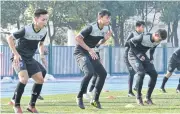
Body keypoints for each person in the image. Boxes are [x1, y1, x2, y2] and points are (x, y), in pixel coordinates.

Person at [6, 9, 48, 113]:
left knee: (40, 79)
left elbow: (41, 44)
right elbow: (10, 38)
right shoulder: (26, 29)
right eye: (43, 19)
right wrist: (16, 54)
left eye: (46, 20)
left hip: (29, 58)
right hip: (19, 58)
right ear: (35, 19)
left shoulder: (44, 31)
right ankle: (16, 105)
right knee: (24, 79)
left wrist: (42, 56)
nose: (45, 22)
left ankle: (31, 106)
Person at [74, 9, 112, 109]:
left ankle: (95, 100)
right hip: (81, 52)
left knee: (103, 74)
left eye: (109, 17)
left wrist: (105, 39)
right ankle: (79, 96)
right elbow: (77, 38)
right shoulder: (90, 27)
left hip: (91, 52)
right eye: (107, 17)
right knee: (89, 73)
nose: (109, 19)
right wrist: (89, 49)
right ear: (100, 18)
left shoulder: (107, 28)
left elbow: (99, 43)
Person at [128, 29, 167, 105]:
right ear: (156, 35)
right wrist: (138, 54)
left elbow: (153, 48)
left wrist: (151, 57)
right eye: (159, 39)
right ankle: (138, 97)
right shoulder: (143, 37)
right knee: (141, 73)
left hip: (143, 55)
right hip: (133, 54)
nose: (160, 41)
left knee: (154, 74)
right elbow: (130, 42)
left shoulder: (157, 41)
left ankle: (147, 98)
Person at [124, 21, 145, 97]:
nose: (143, 28)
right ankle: (130, 92)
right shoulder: (132, 34)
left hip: (136, 56)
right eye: (142, 27)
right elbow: (125, 44)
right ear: (138, 27)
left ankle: (136, 87)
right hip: (128, 55)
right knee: (132, 72)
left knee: (141, 70)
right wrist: (133, 41)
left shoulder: (142, 35)